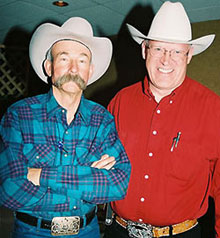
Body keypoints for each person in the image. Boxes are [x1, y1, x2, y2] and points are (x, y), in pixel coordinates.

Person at [0, 17, 131, 238]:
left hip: (87, 231)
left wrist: (39, 175)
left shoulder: (102, 119)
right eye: (64, 58)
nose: (73, 68)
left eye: (82, 61)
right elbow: (9, 190)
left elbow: (118, 184)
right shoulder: (19, 115)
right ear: (49, 67)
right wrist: (89, 179)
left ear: (89, 70)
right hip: (32, 232)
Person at [104, 1, 220, 238]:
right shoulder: (120, 102)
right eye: (158, 49)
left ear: (189, 55)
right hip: (118, 231)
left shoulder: (213, 108)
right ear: (144, 50)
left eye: (177, 51)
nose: (166, 60)